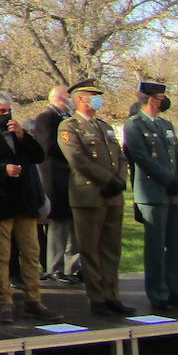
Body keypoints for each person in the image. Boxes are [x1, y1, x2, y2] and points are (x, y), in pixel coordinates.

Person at [0, 91, 57, 324]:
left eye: (9, 110)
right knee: (2, 255)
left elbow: (38, 156)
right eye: (1, 112)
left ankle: (33, 299)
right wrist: (1, 169)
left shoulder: (19, 132)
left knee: (31, 253)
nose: (7, 115)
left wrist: (23, 136)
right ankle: (5, 302)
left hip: (24, 201)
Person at [57, 80, 134, 317]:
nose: (99, 100)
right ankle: (97, 297)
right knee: (90, 249)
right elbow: (78, 159)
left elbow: (119, 156)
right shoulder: (69, 127)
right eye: (94, 96)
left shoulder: (104, 126)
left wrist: (119, 179)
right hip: (88, 195)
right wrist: (106, 180)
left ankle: (112, 295)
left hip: (112, 196)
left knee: (111, 249)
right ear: (81, 99)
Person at [122, 80, 178, 313]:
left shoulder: (166, 124)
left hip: (173, 193)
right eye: (161, 97)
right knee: (156, 246)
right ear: (152, 99)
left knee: (177, 244)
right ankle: (158, 293)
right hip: (152, 192)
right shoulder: (134, 125)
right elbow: (142, 158)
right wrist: (168, 179)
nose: (164, 100)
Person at [33, 86, 79, 284]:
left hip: (72, 179)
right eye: (68, 97)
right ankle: (55, 268)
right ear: (59, 98)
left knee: (73, 225)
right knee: (58, 224)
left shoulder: (69, 119)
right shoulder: (46, 118)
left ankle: (73, 267)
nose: (71, 100)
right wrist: (72, 152)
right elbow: (48, 146)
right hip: (56, 178)